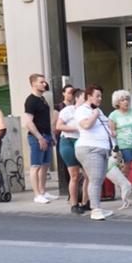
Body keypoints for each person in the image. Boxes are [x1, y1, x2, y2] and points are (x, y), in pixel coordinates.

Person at [72, 85, 115, 221]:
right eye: (97, 96)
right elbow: (86, 125)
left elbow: (107, 124)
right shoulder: (82, 110)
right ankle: (95, 209)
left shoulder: (98, 110)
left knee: (100, 179)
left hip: (103, 148)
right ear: (88, 96)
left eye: (101, 96)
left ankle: (98, 207)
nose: (99, 99)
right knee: (95, 179)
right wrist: (95, 115)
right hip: (90, 148)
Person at [22, 73, 54, 205]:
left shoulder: (43, 99)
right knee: (35, 166)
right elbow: (29, 122)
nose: (44, 84)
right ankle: (36, 194)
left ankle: (42, 190)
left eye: (44, 82)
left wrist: (50, 135)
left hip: (46, 134)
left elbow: (47, 119)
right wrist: (39, 137)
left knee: (45, 165)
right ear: (33, 83)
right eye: (41, 82)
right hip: (37, 136)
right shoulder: (31, 100)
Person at [55, 86, 85, 214]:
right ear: (77, 98)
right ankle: (74, 203)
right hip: (68, 141)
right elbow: (59, 126)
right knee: (74, 174)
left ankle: (85, 201)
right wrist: (76, 128)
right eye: (84, 97)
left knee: (88, 175)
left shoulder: (88, 112)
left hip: (83, 142)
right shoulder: (68, 110)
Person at [108, 89, 132, 196]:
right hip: (124, 146)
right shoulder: (113, 115)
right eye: (122, 100)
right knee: (126, 170)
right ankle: (125, 191)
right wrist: (114, 135)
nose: (125, 102)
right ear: (117, 103)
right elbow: (112, 132)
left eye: (127, 99)